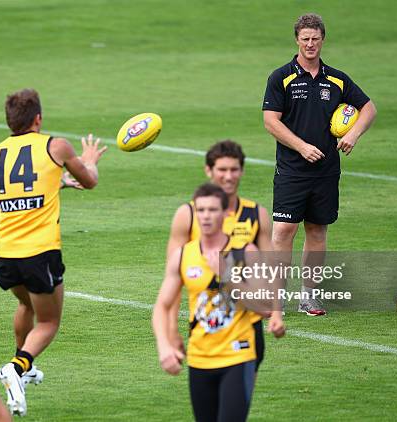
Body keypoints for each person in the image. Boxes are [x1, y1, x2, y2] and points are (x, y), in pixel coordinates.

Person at [0, 88, 106, 415]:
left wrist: (60, 183)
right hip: (39, 253)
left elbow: (21, 191)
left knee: (26, 304)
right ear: (38, 118)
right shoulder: (57, 145)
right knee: (50, 322)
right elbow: (91, 181)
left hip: (4, 253)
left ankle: (23, 369)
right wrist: (90, 161)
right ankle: (16, 367)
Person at [262, 13, 377, 315]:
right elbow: (270, 122)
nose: (310, 44)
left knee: (317, 232)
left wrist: (354, 133)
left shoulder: (337, 78)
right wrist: (301, 147)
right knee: (283, 230)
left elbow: (368, 107)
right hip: (291, 170)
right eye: (305, 39)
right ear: (297, 40)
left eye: (315, 39)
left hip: (326, 171)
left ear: (322, 40)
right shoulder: (281, 77)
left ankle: (309, 297)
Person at [153, 183, 285, 422]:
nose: (205, 216)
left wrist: (228, 276)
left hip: (238, 356)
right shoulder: (184, 255)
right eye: (201, 210)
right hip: (200, 358)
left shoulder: (247, 253)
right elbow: (162, 306)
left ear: (226, 214)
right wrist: (164, 346)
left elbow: (266, 306)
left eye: (212, 210)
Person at [166, 140, 272, 349]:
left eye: (234, 170)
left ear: (242, 171)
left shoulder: (257, 214)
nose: (228, 176)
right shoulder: (187, 215)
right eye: (222, 169)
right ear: (209, 170)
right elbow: (173, 279)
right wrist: (171, 329)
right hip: (206, 323)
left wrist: (276, 313)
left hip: (247, 326)